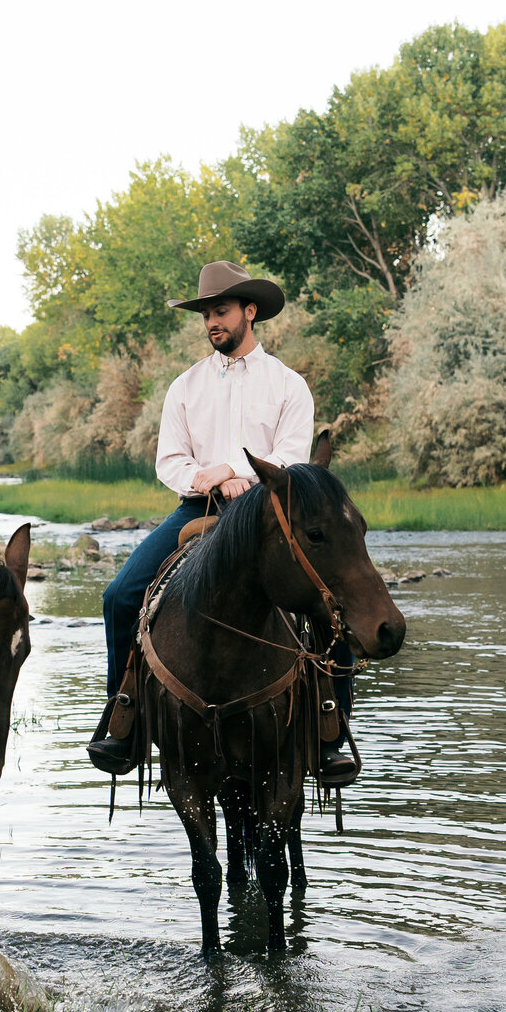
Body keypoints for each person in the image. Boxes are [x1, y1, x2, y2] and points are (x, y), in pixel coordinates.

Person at [86, 262, 314, 774]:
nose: (213, 321)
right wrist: (209, 477)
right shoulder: (184, 388)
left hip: (267, 510)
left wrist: (239, 471)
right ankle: (124, 722)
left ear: (249, 312)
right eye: (207, 313)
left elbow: (293, 454)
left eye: (222, 311)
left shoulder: (288, 385)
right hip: (198, 506)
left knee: (329, 602)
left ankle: (328, 726)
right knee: (120, 596)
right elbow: (170, 461)